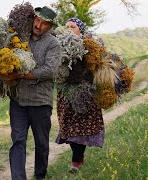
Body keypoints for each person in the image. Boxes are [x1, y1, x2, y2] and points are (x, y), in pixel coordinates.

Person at [1, 6, 62, 180]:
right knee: (18, 140)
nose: (38, 25)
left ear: (50, 26)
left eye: (44, 23)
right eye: (37, 20)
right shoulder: (20, 38)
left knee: (41, 143)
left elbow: (49, 71)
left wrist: (23, 74)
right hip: (18, 101)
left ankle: (40, 175)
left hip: (40, 102)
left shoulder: (53, 44)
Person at [55, 17, 105, 173]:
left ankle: (76, 162)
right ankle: (78, 156)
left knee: (81, 129)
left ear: (80, 31)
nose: (69, 28)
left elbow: (97, 66)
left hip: (84, 95)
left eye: (73, 26)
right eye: (67, 26)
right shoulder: (58, 46)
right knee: (68, 128)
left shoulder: (89, 47)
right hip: (65, 94)